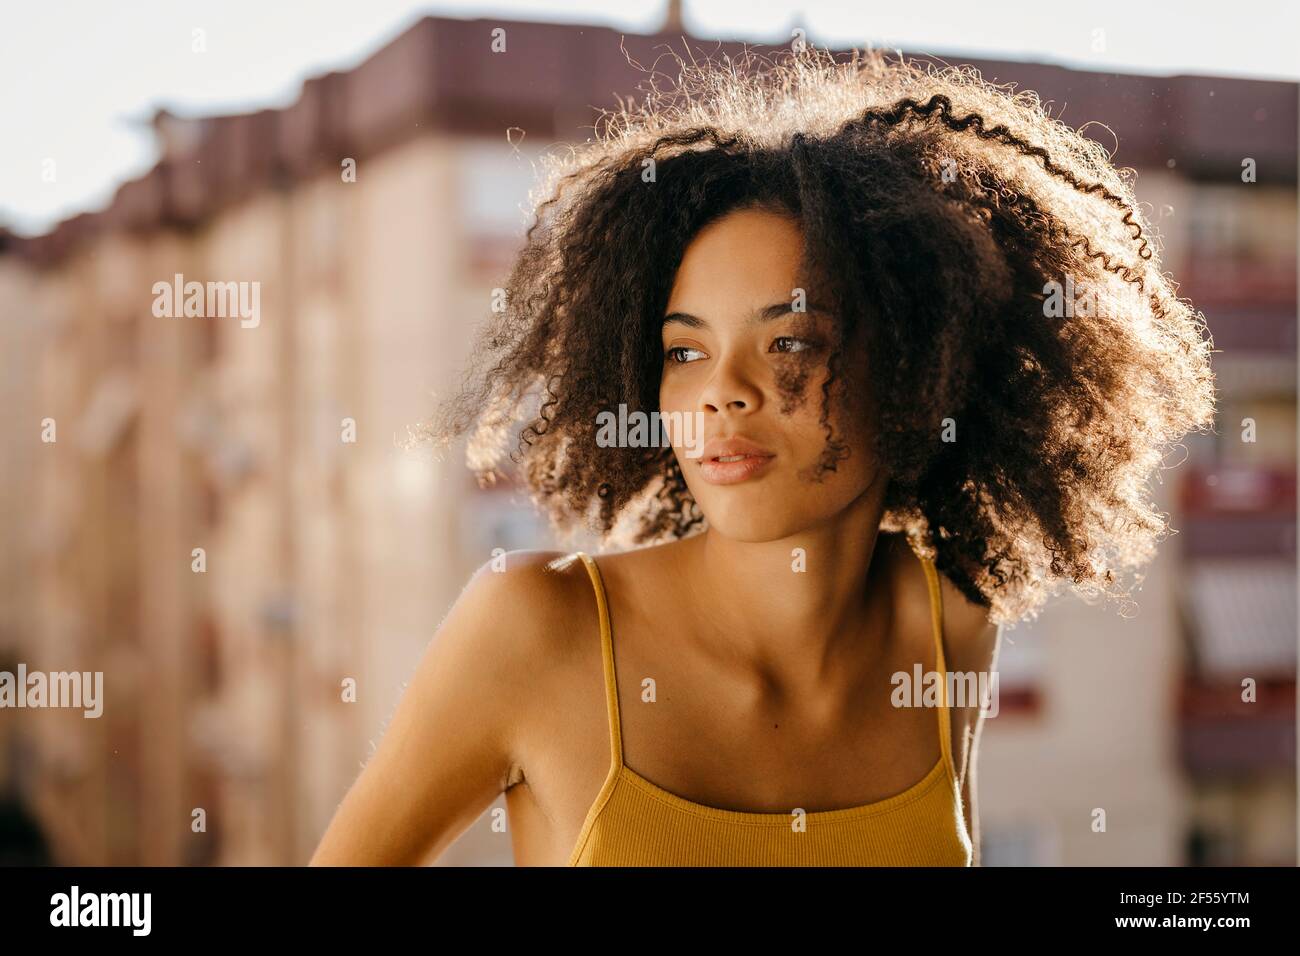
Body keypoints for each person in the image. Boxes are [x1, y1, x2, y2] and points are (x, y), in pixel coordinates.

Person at [309, 46, 1216, 867]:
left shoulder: (947, 624)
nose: (721, 394)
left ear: (912, 364)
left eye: (788, 344)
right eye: (684, 350)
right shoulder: (536, 629)